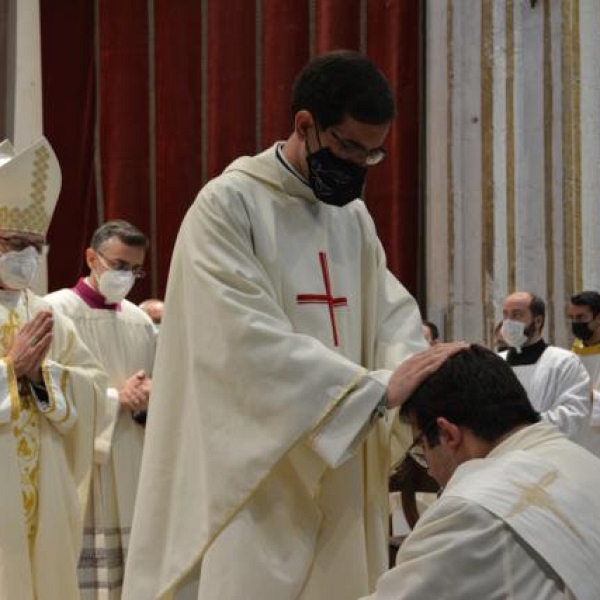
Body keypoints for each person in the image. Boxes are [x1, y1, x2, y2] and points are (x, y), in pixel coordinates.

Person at [123, 50, 434, 600]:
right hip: (256, 478)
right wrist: (370, 389)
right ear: (305, 125)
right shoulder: (227, 206)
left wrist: (413, 370)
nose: (359, 165)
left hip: (341, 462)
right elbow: (239, 341)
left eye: (373, 153)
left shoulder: (352, 217)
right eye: (347, 147)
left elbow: (390, 310)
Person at [362, 345, 600, 600]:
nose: (429, 470)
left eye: (421, 448)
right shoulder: (588, 464)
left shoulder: (468, 510)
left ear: (448, 434)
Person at [0, 137, 108, 599]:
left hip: (44, 494)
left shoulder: (48, 315)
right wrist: (9, 369)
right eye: (13, 243)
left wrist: (42, 377)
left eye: (35, 246)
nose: (26, 256)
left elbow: (95, 390)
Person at [46, 220, 157, 598]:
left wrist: (147, 399)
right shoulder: (55, 311)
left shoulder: (140, 322)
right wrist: (114, 399)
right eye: (119, 265)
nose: (127, 276)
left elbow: (152, 395)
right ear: (92, 258)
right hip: (79, 461)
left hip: (132, 459)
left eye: (136, 269)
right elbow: (45, 389)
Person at [499, 291, 589, 440]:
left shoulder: (564, 362)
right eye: (506, 315)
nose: (508, 322)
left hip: (547, 452)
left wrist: (521, 426)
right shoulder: (495, 363)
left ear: (538, 321)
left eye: (517, 315)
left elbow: (574, 414)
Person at [569, 291, 600, 456]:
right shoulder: (572, 353)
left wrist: (589, 396)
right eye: (572, 318)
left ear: (598, 318)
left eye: (581, 318)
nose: (575, 323)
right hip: (577, 440)